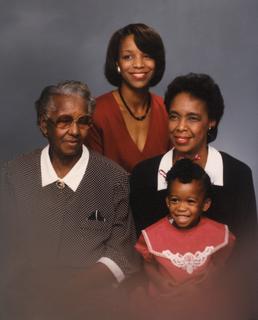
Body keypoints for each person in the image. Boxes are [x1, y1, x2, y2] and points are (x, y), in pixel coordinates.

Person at [0, 81, 138, 319]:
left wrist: (70, 291)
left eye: (83, 122)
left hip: (94, 308)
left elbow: (122, 254)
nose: (75, 131)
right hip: (25, 305)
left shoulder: (114, 178)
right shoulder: (13, 175)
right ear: (44, 125)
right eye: (65, 121)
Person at [130, 73, 257, 249]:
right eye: (174, 116)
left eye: (192, 118)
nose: (180, 127)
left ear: (211, 121)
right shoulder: (143, 175)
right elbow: (135, 251)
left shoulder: (238, 175)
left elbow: (248, 251)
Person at [135, 158, 235, 295]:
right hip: (165, 301)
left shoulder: (219, 233)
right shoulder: (152, 235)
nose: (181, 208)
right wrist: (161, 283)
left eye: (190, 201)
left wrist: (204, 283)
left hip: (204, 302)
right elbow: (147, 264)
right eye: (175, 200)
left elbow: (220, 265)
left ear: (205, 204)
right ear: (167, 202)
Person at [85, 23, 170, 173]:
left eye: (147, 56)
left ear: (157, 62)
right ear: (117, 63)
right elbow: (93, 180)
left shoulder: (168, 110)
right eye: (128, 57)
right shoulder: (96, 112)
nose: (138, 64)